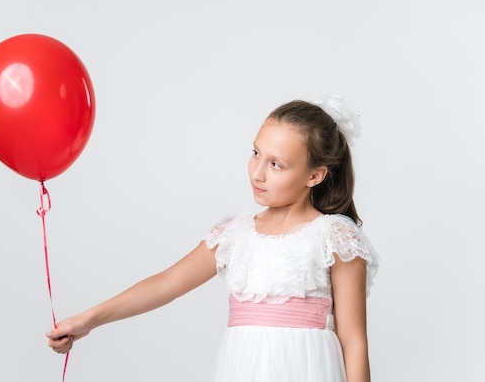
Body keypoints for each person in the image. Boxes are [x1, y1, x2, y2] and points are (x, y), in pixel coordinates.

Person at [46, 94, 379, 382]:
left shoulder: (333, 237)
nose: (257, 172)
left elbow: (353, 340)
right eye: (255, 153)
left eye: (276, 164)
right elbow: (167, 283)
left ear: (315, 175)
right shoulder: (234, 234)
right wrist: (89, 319)